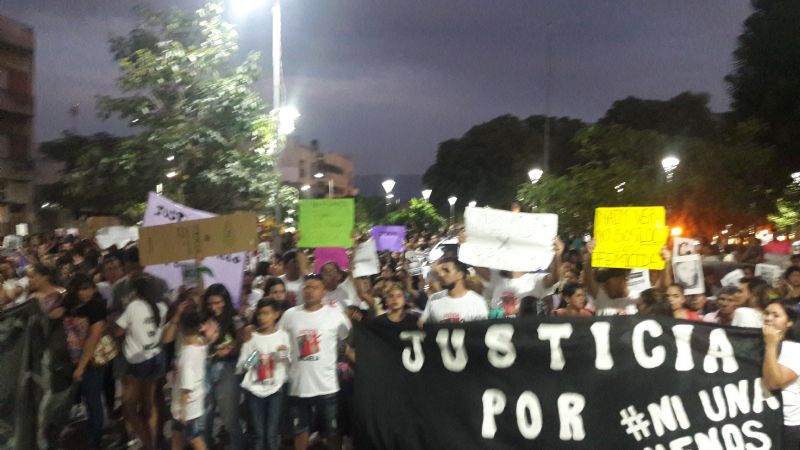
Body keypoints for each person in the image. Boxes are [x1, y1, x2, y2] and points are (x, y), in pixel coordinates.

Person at [279, 274, 351, 450]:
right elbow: (275, 342)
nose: (310, 291)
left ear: (324, 292)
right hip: (298, 385)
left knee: (332, 432)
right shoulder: (290, 315)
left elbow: (346, 338)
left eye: (315, 287)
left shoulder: (336, 315)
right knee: (300, 432)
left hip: (327, 386)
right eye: (307, 287)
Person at [115, 276, 168, 450]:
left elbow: (118, 331)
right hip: (156, 357)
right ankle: (151, 441)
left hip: (138, 361)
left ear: (135, 291)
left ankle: (148, 443)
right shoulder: (162, 307)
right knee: (149, 404)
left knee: (129, 408)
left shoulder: (133, 307)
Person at [63, 273, 108, 450]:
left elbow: (94, 338)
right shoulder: (69, 305)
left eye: (90, 288)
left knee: (93, 399)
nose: (88, 292)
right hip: (72, 360)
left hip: (91, 362)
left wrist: (81, 367)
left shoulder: (96, 307)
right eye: (83, 289)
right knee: (85, 399)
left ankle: (95, 440)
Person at [238, 299, 291, 450]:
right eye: (260, 314)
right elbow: (243, 366)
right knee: (259, 433)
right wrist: (254, 357)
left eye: (266, 313)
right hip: (254, 390)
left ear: (276, 314)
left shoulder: (283, 336)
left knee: (272, 433)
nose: (262, 317)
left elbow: (288, 363)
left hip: (276, 390)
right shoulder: (251, 338)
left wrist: (282, 354)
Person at [202, 283, 245, 449]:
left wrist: (231, 351)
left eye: (218, 302)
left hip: (229, 369)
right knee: (205, 415)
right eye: (210, 303)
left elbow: (248, 349)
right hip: (205, 368)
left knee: (229, 417)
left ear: (226, 301)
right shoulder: (203, 321)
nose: (214, 307)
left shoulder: (236, 320)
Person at [761, 299, 800, 447]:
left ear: (789, 322)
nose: (768, 318)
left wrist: (771, 345)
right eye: (766, 313)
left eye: (776, 315)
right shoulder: (757, 343)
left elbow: (774, 383)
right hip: (763, 419)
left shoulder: (795, 350)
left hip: (787, 426)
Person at [170, 306, 208, 450]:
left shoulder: (187, 354)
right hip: (195, 399)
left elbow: (187, 384)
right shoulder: (200, 344)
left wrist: (183, 409)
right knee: (178, 434)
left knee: (194, 437)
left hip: (186, 404)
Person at [420, 257, 488, 324]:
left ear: (459, 275)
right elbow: (422, 326)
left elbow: (481, 331)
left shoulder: (477, 302)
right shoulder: (433, 299)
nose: (441, 274)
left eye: (446, 270)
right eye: (440, 271)